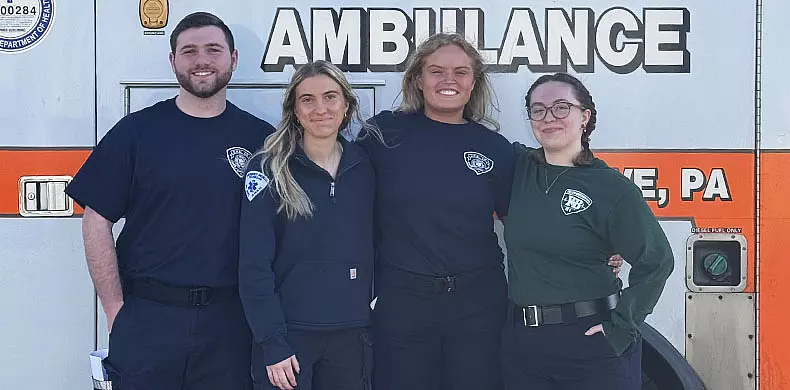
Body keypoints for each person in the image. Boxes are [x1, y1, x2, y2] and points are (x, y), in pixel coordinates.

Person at [65, 12, 275, 390]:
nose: (201, 60)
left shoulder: (261, 138)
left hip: (230, 325)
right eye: (189, 50)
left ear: (234, 59)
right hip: (148, 318)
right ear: (172, 60)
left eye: (213, 49)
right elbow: (96, 218)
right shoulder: (136, 132)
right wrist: (115, 311)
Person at [501, 72, 674, 389]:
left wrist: (620, 329)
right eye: (538, 109)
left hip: (590, 342)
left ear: (585, 116)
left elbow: (657, 261)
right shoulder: (516, 166)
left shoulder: (612, 189)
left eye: (561, 107)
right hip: (523, 346)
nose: (548, 117)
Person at [239, 61, 378, 390]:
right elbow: (253, 266)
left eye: (330, 97)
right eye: (308, 100)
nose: (320, 109)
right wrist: (272, 344)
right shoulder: (269, 167)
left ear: (346, 106)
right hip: (289, 338)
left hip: (352, 337)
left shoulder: (365, 166)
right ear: (294, 110)